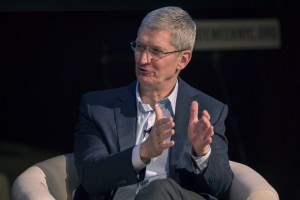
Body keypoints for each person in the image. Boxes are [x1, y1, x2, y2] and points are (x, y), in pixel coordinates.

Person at [74, 6, 233, 200]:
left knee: (159, 190)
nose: (143, 59)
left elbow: (221, 188)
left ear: (182, 60)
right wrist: (142, 152)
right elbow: (91, 177)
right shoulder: (98, 108)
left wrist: (201, 153)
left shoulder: (209, 111)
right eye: (140, 47)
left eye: (156, 51)